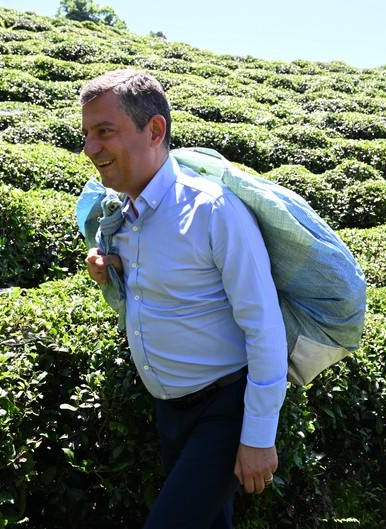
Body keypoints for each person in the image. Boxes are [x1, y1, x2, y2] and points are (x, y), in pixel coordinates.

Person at [80, 69, 288, 529]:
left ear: (154, 130)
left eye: (104, 132)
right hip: (169, 411)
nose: (90, 149)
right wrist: (109, 278)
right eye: (87, 135)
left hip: (223, 410)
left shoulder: (213, 210)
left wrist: (258, 436)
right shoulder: (122, 215)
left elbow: (263, 325)